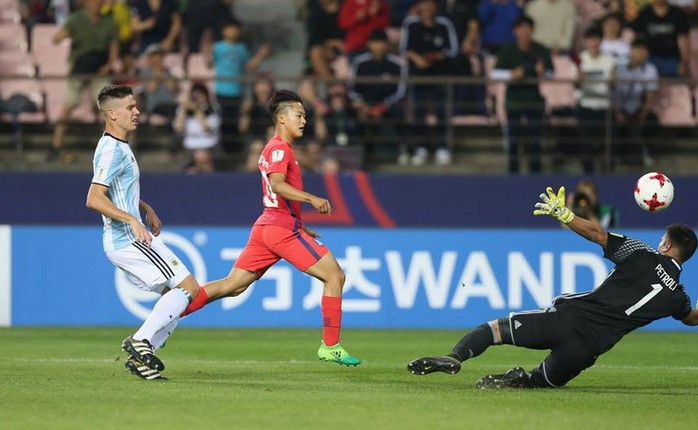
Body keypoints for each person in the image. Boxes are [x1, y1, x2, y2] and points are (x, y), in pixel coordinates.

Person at [408, 185, 698, 389]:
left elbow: (598, 234)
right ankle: (521, 379)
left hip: (566, 321)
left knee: (494, 330)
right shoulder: (677, 298)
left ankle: (455, 357)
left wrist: (565, 214)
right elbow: (692, 319)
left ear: (666, 245)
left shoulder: (641, 253)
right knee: (542, 382)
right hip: (587, 350)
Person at [178, 89, 361, 366]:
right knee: (335, 277)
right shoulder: (279, 148)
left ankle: (166, 317)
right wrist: (312, 198)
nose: (304, 121)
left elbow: (276, 194)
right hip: (280, 229)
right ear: (282, 118)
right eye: (299, 115)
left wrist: (301, 224)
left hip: (269, 226)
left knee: (232, 286)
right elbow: (277, 185)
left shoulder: (277, 148)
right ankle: (331, 346)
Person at [85, 84, 204, 380]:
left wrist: (144, 207)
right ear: (112, 114)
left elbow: (116, 190)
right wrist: (133, 220)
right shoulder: (113, 149)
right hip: (128, 239)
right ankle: (141, 342)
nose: (137, 112)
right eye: (130, 108)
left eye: (136, 107)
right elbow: (94, 198)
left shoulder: (114, 145)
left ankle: (142, 360)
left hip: (125, 237)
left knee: (173, 297)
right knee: (187, 288)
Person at [50, 0, 119, 161]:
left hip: (99, 69)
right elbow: (57, 38)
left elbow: (114, 52)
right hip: (79, 69)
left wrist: (107, 66)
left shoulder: (109, 23)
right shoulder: (76, 19)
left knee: (108, 110)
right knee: (68, 106)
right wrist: (63, 35)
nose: (96, 4)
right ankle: (55, 145)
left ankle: (110, 150)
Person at [399, 0, 459, 166]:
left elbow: (452, 49)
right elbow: (404, 48)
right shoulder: (411, 24)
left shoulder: (444, 24)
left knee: (441, 112)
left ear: (435, 7)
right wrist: (417, 58)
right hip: (418, 75)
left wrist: (436, 57)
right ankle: (420, 148)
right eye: (423, 5)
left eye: (430, 4)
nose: (427, 8)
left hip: (439, 74)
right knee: (418, 112)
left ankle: (442, 148)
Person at [492, 14, 553, 174]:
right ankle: (513, 174)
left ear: (532, 31)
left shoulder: (541, 49)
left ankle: (535, 174)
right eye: (521, 29)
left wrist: (542, 72)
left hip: (534, 101)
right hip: (513, 101)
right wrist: (511, 75)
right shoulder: (507, 50)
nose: (524, 32)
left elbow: (551, 73)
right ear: (515, 31)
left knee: (535, 141)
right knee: (513, 141)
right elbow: (495, 74)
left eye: (528, 28)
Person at [208, 19, 270, 153]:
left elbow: (248, 66)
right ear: (224, 30)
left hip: (236, 90)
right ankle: (223, 149)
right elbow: (209, 63)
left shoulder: (241, 48)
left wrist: (260, 55)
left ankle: (234, 149)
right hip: (221, 90)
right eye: (230, 28)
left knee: (235, 121)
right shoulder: (217, 47)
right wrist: (207, 51)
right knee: (223, 121)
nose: (233, 31)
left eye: (235, 29)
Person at [349, 28, 406, 162]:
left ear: (387, 44)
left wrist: (383, 106)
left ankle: (402, 150)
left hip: (388, 105)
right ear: (369, 44)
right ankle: (362, 153)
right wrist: (363, 105)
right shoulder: (360, 62)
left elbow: (400, 91)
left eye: (381, 42)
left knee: (398, 114)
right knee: (355, 115)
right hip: (364, 104)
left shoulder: (397, 64)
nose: (378, 46)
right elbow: (352, 88)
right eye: (375, 42)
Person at [573, 27, 615, 174]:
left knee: (607, 143)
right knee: (585, 143)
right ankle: (588, 172)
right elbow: (575, 85)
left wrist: (612, 80)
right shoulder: (580, 59)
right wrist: (579, 78)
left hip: (604, 106)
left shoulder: (609, 60)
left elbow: (613, 84)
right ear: (585, 41)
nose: (594, 42)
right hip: (585, 106)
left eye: (597, 39)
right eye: (590, 39)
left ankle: (606, 171)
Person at [613, 39, 659, 167]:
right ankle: (616, 157)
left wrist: (643, 114)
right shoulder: (620, 69)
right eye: (637, 50)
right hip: (621, 108)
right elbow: (613, 93)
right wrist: (617, 112)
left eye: (643, 51)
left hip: (639, 107)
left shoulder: (650, 69)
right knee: (610, 121)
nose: (640, 54)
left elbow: (650, 95)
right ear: (631, 51)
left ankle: (647, 155)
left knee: (651, 120)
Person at [173, 82, 221, 173]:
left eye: (200, 96)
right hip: (190, 145)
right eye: (195, 96)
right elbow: (178, 128)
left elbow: (208, 129)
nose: (197, 99)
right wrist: (183, 110)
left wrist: (197, 111)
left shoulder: (213, 108)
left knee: (202, 157)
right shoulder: (184, 109)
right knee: (190, 169)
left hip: (209, 144)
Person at [632, 0, 690, 77]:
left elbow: (684, 39)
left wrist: (684, 63)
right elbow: (638, 40)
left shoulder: (677, 14)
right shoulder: (644, 14)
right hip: (650, 58)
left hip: (672, 59)